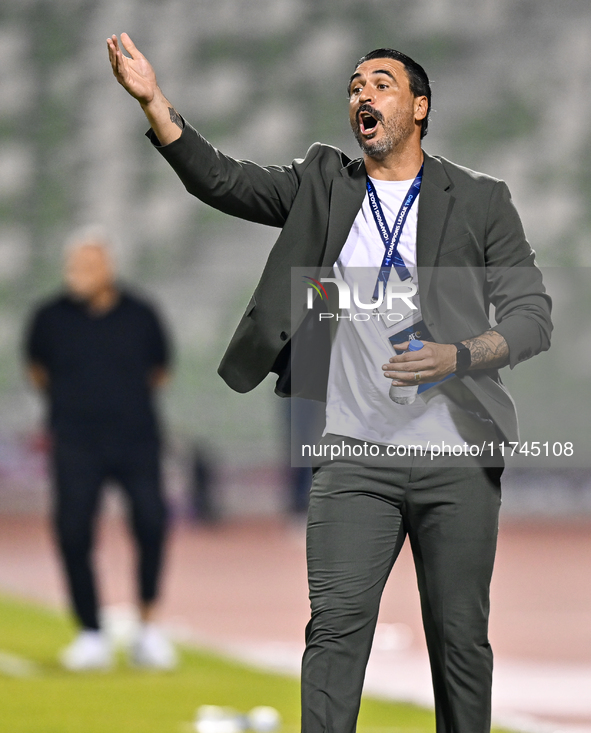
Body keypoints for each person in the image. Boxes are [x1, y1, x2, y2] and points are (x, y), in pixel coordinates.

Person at [107, 34, 552, 732]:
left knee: (460, 644)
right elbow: (222, 180)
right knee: (334, 634)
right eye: (352, 86)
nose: (361, 95)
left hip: (455, 458)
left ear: (419, 105)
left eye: (379, 83)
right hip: (354, 456)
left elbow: (531, 316)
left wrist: (458, 355)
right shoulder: (324, 183)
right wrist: (154, 102)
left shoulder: (479, 199)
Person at [25, 233, 177, 671]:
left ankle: (147, 627)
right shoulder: (49, 316)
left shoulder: (141, 313)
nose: (77, 275)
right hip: (75, 440)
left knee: (151, 522)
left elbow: (160, 369)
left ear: (107, 268)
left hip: (136, 438)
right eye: (72, 267)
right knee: (72, 530)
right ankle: (91, 632)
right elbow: (37, 369)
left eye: (87, 266)